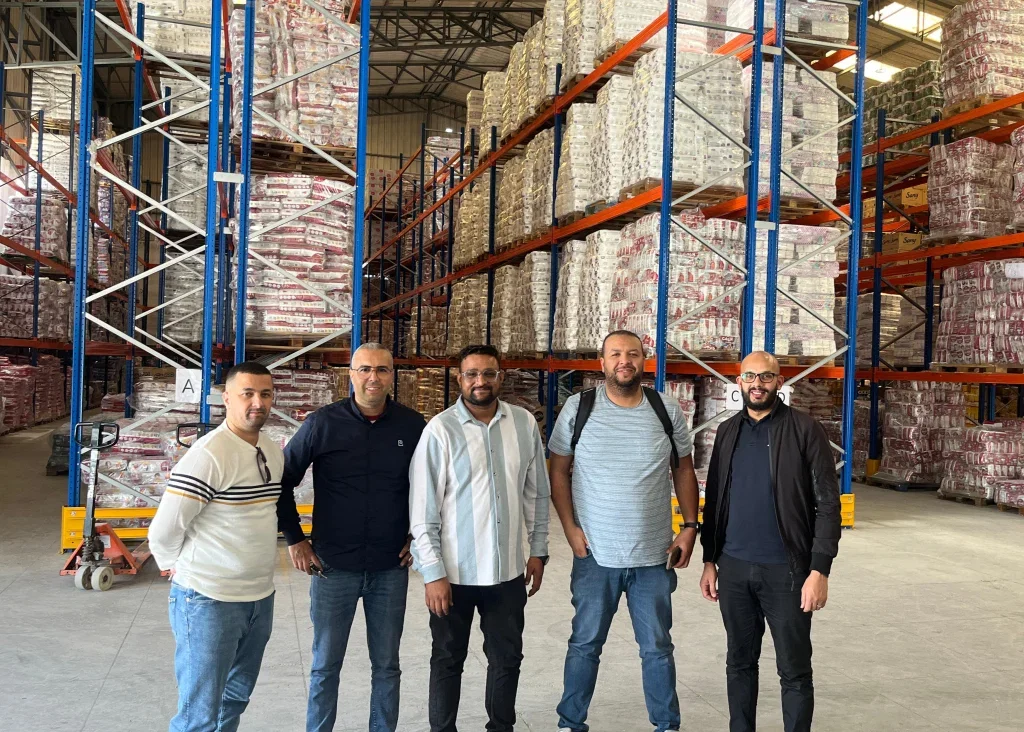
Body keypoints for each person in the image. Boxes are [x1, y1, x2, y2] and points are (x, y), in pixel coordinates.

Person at [548, 330, 700, 732]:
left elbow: (683, 468)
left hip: (654, 556)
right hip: (595, 555)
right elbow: (558, 470)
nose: (624, 360)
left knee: (657, 649)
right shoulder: (579, 408)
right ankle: (570, 723)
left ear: (643, 360)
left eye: (632, 354)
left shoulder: (665, 409)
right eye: (616, 354)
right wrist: (569, 527)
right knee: (584, 645)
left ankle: (666, 725)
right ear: (602, 362)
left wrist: (689, 527)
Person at [277, 342, 427, 732]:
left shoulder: (413, 427)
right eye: (364, 369)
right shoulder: (322, 424)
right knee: (325, 665)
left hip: (390, 567)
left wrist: (417, 536)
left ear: (393, 375)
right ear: (351, 374)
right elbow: (282, 482)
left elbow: (432, 489)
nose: (373, 377)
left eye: (382, 369)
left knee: (387, 665)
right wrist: (295, 538)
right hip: (332, 567)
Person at [408, 344, 551, 732]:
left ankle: (500, 727)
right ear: (459, 379)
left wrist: (538, 551)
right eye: (471, 374)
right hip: (453, 575)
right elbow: (422, 511)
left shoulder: (522, 424)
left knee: (507, 658)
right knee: (448, 658)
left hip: (506, 573)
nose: (480, 381)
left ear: (500, 377)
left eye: (489, 373)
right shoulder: (440, 430)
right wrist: (432, 573)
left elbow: (537, 494)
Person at [698, 350, 841, 732]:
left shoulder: (804, 429)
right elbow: (714, 500)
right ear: (739, 381)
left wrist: (819, 569)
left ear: (779, 382)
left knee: (794, 669)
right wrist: (709, 560)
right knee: (739, 662)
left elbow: (828, 504)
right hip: (733, 569)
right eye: (749, 376)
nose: (757, 384)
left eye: (765, 377)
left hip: (787, 573)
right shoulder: (728, 432)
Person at [149, 361, 284, 732]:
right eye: (248, 394)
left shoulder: (272, 450)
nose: (258, 402)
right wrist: (174, 567)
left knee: (235, 698)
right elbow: (164, 529)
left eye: (266, 394)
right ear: (226, 398)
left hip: (259, 598)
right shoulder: (209, 455)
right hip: (209, 600)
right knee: (199, 713)